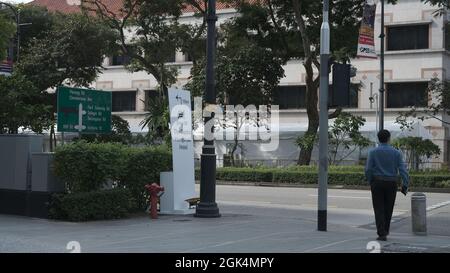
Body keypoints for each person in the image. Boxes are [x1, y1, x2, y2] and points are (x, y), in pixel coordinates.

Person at [365, 129, 409, 241]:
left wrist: (370, 180)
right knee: (388, 208)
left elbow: (368, 169)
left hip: (377, 183)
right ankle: (386, 230)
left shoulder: (372, 152)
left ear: (378, 139)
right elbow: (403, 170)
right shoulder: (396, 152)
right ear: (389, 138)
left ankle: (381, 233)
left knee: (378, 208)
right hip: (391, 183)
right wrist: (405, 183)